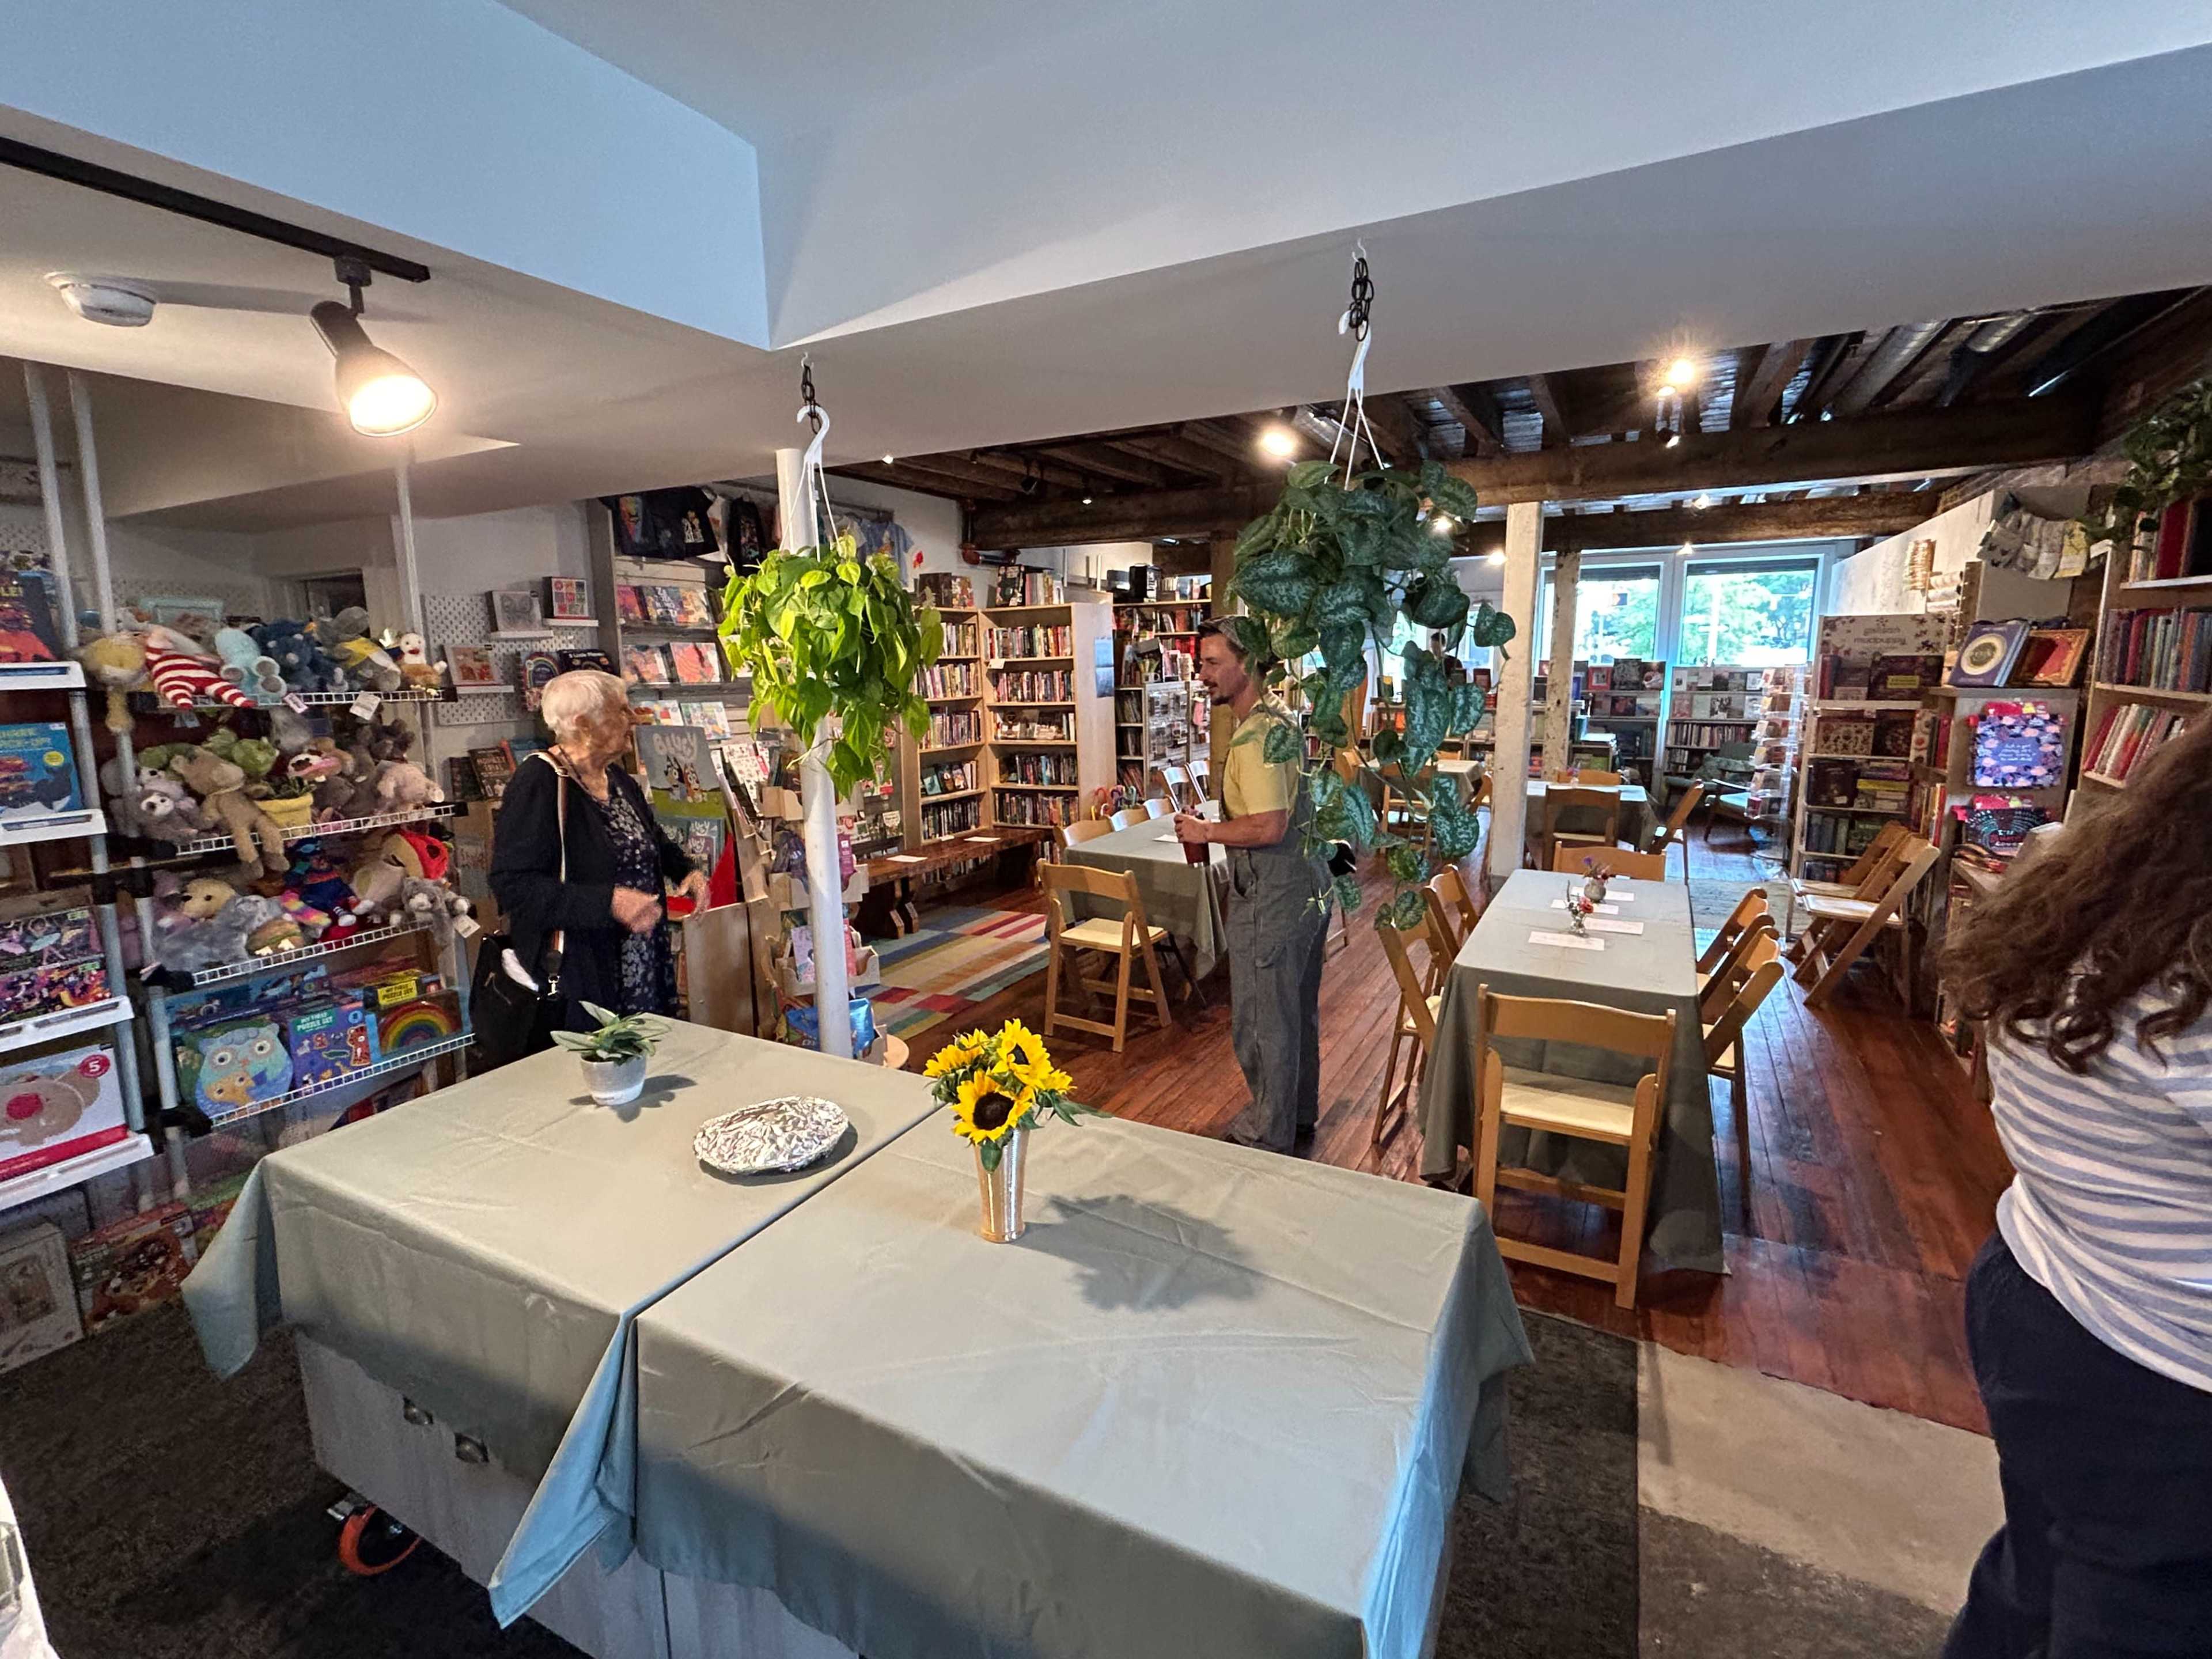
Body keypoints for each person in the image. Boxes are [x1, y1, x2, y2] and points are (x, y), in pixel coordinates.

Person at [1940, 715, 2212, 1658]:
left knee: (2038, 1572)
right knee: (2129, 1614)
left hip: (2042, 1291)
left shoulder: (2080, 908)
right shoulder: (2185, 977)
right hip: (2165, 1373)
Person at [1175, 618, 1331, 1152]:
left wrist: (1205, 831)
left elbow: (1268, 826)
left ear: (1249, 665)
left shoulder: (1254, 739)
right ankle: (1296, 1116)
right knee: (1294, 1012)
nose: (1204, 675)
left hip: (1273, 894)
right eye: (1201, 664)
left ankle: (1269, 1135)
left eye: (1214, 663)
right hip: (1308, 886)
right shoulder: (1282, 721)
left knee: (1263, 1021)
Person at [490, 669, 707, 1027]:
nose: (633, 719)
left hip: (642, 963)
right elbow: (513, 886)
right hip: (582, 971)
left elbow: (649, 838)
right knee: (601, 1073)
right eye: (620, 711)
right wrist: (609, 901)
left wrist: (687, 870)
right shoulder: (539, 782)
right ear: (584, 725)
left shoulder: (618, 779)